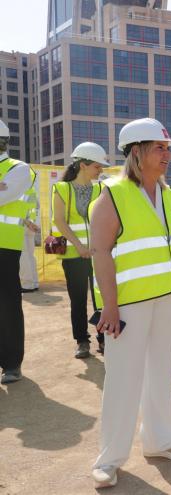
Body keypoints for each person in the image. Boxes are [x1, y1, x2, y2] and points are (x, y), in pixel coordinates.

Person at [89, 118, 171, 488]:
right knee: (122, 379)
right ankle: (110, 458)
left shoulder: (168, 195)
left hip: (166, 298)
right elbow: (101, 252)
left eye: (168, 148)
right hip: (128, 304)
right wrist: (110, 307)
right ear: (136, 152)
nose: (168, 155)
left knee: (161, 373)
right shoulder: (112, 194)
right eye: (160, 148)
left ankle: (160, 440)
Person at [51, 142, 109, 358]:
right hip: (74, 255)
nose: (101, 170)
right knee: (77, 300)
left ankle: (104, 338)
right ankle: (82, 341)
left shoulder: (102, 188)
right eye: (97, 166)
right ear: (83, 165)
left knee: (102, 298)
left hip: (99, 254)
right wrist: (79, 246)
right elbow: (59, 221)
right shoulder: (62, 188)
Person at [0, 118, 35, 385]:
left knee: (8, 306)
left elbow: (4, 196)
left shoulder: (19, 169)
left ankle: (11, 362)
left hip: (5, 248)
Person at [19, 181, 38, 293]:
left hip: (21, 224)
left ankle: (27, 284)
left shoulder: (15, 186)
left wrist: (27, 222)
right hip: (30, 224)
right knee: (30, 255)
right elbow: (34, 207)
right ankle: (33, 283)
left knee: (23, 255)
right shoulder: (30, 188)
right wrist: (31, 222)